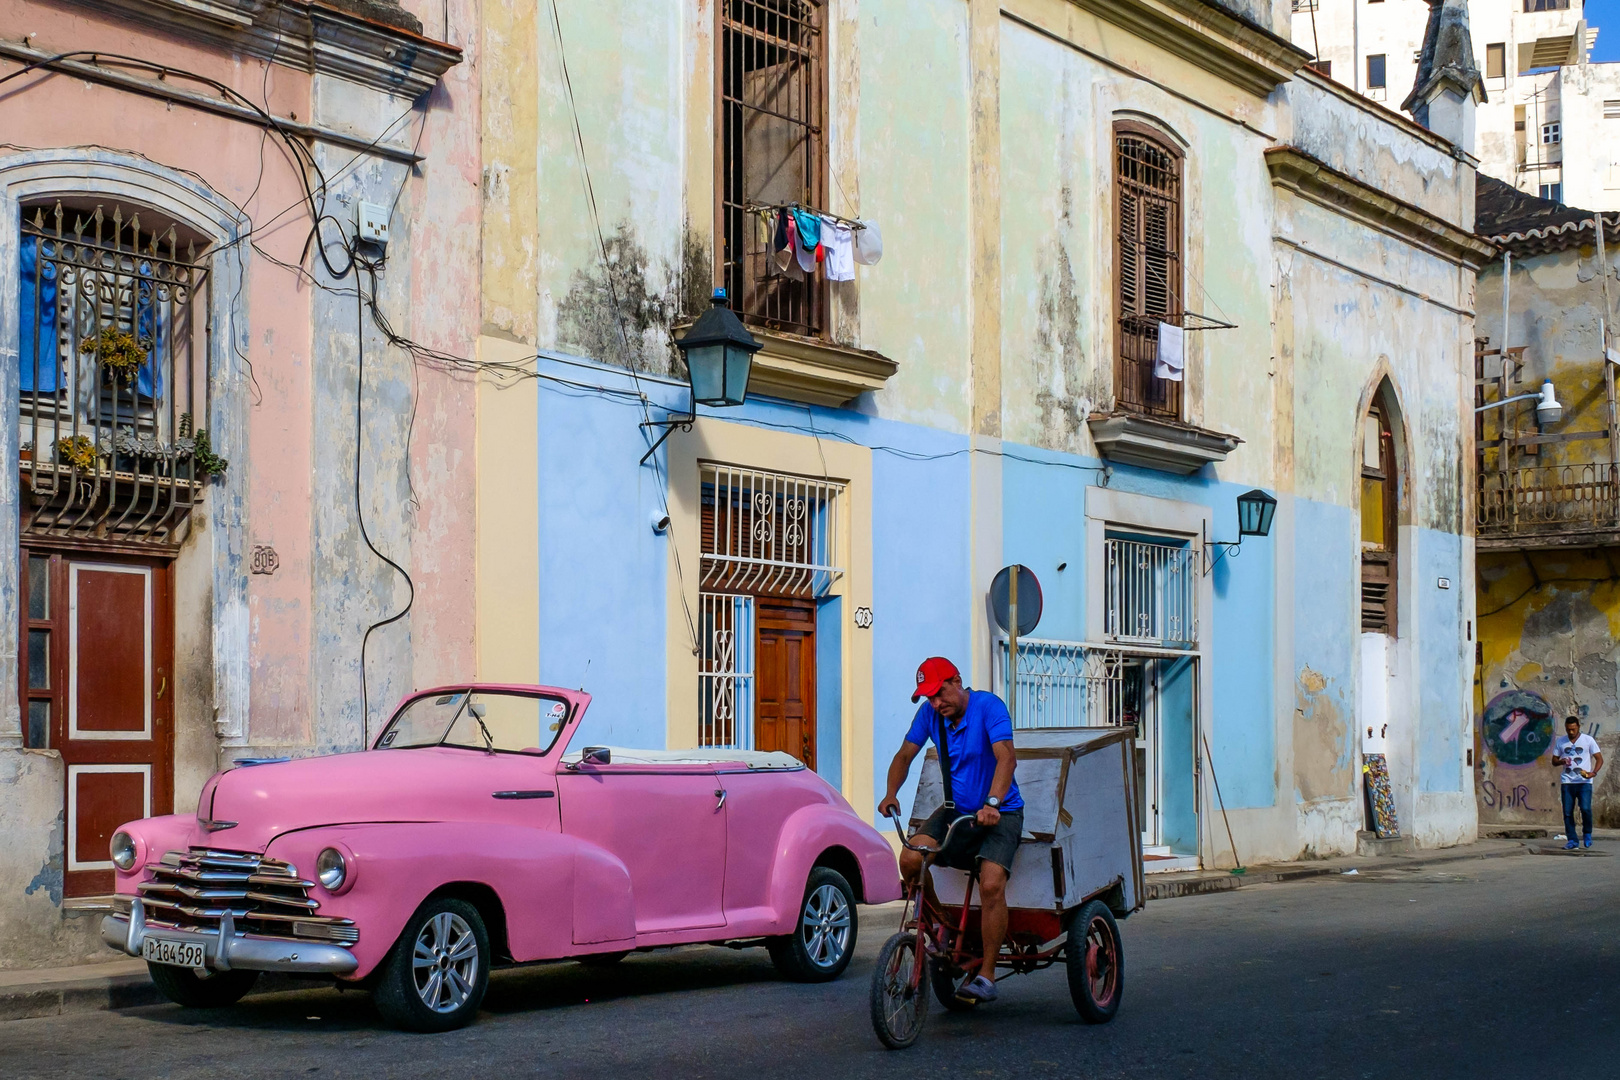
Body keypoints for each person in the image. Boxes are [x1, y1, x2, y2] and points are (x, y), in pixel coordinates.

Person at [878, 657, 1022, 1004]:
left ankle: (986, 976)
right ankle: (942, 921)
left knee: (991, 884)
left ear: (957, 681)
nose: (936, 703)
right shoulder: (930, 715)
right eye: (929, 698)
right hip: (954, 811)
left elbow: (1007, 758)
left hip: (999, 813)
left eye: (940, 694)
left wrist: (992, 803)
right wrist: (890, 793)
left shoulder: (989, 707)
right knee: (911, 859)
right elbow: (904, 756)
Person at [1552, 716, 1603, 850]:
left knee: (1585, 808)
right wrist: (1561, 761)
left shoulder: (1588, 740)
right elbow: (1554, 761)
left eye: (1573, 729)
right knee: (1568, 812)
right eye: (1569, 730)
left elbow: (1599, 759)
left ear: (1578, 727)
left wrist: (1593, 772)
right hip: (1567, 782)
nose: (1571, 732)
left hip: (1584, 782)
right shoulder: (1561, 742)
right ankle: (1572, 840)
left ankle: (1587, 834)